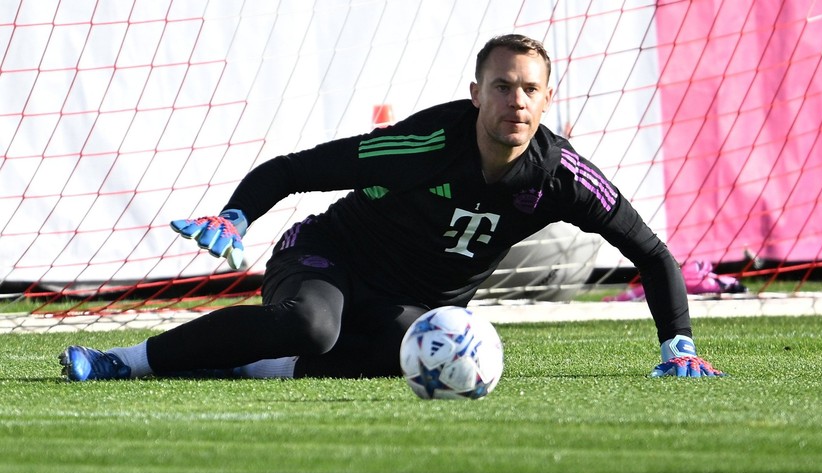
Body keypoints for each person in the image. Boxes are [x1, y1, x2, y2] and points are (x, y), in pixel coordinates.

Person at [59, 34, 723, 382]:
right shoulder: (427, 142)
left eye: (527, 90)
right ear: (475, 94)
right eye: (500, 86)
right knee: (312, 326)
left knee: (422, 351)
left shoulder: (563, 177)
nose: (513, 101)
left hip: (412, 303)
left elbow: (652, 253)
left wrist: (678, 346)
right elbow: (298, 170)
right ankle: (126, 359)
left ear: (546, 101)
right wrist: (236, 216)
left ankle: (252, 362)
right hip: (328, 259)